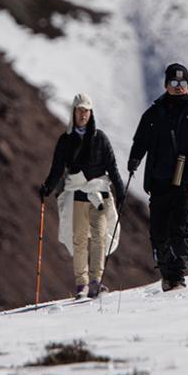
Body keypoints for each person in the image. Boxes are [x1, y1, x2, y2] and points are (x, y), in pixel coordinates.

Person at [127, 63, 188, 291]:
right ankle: (166, 272)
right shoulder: (154, 113)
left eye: (183, 83)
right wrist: (134, 159)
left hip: (186, 183)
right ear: (166, 85)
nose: (178, 87)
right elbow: (141, 140)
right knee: (158, 231)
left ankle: (177, 277)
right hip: (159, 181)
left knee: (179, 229)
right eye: (174, 82)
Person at [40, 93, 126, 299]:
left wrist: (120, 190)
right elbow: (57, 169)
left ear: (91, 113)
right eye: (79, 110)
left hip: (99, 196)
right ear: (73, 112)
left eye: (86, 111)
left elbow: (112, 166)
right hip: (78, 195)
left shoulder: (100, 138)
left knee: (99, 238)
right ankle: (82, 285)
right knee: (79, 240)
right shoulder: (66, 140)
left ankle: (95, 282)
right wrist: (47, 188)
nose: (83, 114)